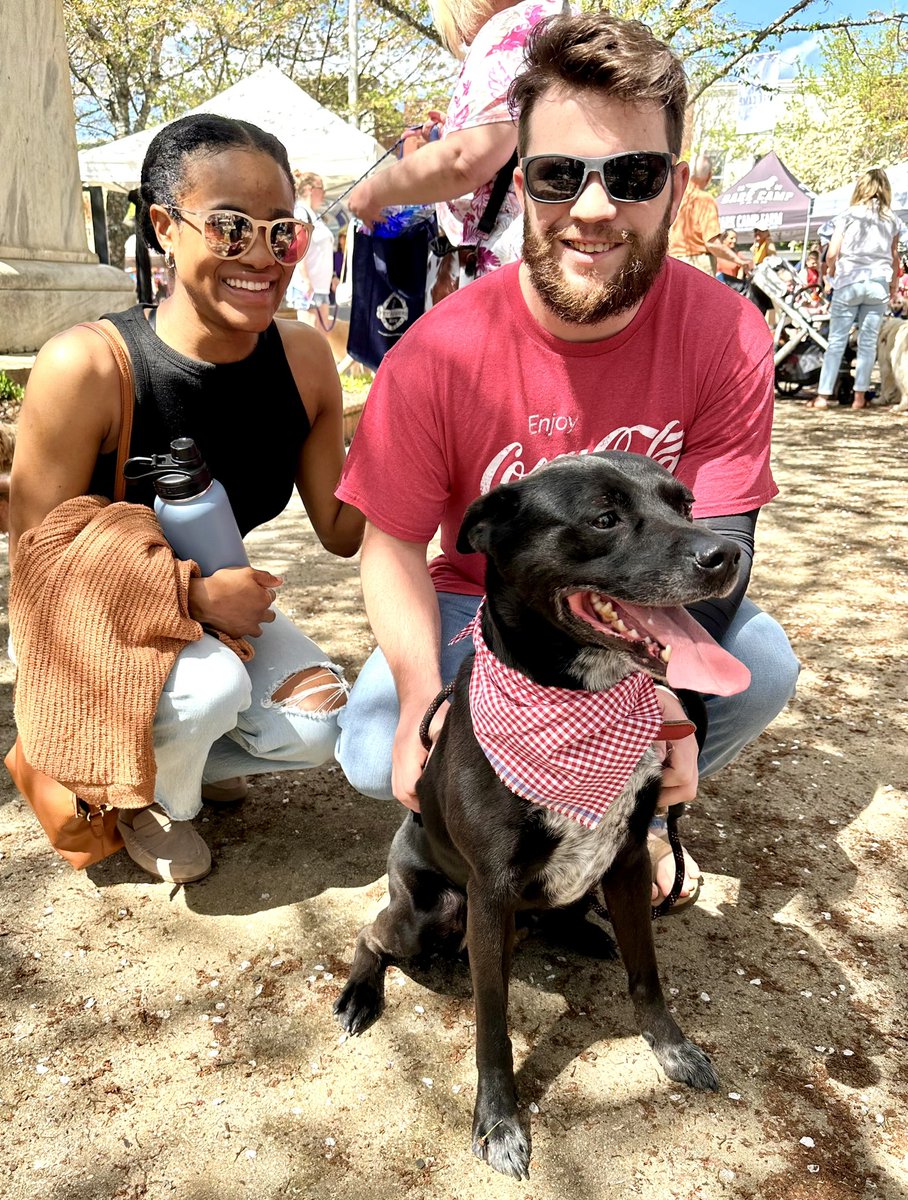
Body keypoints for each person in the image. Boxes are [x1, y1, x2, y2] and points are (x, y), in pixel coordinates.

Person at [335, 11, 799, 911]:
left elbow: (724, 536)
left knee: (762, 663)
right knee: (370, 741)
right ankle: (499, 817)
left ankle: (634, 812)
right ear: (520, 184)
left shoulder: (729, 332)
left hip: (640, 587)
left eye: (633, 175)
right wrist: (428, 699)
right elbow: (388, 545)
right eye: (558, 176)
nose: (593, 209)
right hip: (485, 600)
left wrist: (661, 698)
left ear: (676, 185)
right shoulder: (436, 353)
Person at [8, 115, 364, 883]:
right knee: (212, 688)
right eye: (232, 229)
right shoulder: (90, 368)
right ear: (167, 228)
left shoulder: (301, 359)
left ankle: (182, 759)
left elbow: (340, 529)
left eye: (282, 232)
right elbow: (34, 572)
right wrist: (193, 596)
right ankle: (141, 800)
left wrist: (419, 435)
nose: (262, 257)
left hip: (213, 615)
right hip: (86, 623)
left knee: (323, 718)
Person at [348, 0, 562, 299]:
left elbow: (463, 160)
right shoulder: (556, 21)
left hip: (514, 268)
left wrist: (371, 192)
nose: (462, 39)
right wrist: (450, 130)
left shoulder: (513, 28)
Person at [808, 168, 902, 410]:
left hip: (849, 281)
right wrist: (892, 286)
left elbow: (832, 252)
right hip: (878, 283)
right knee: (868, 342)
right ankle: (860, 397)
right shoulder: (891, 219)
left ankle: (823, 396)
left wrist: (830, 272)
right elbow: (894, 257)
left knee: (837, 341)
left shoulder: (848, 215)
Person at [667, 156, 750, 276]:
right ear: (709, 176)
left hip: (672, 261)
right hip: (697, 265)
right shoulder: (705, 200)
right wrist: (739, 261)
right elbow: (712, 243)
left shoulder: (675, 197)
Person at [286, 171, 336, 334]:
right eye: (321, 188)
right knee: (310, 338)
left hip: (321, 287)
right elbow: (298, 249)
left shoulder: (315, 216)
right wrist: (306, 279)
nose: (324, 193)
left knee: (321, 338)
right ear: (309, 189)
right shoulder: (301, 212)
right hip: (308, 287)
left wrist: (333, 277)